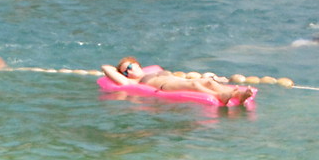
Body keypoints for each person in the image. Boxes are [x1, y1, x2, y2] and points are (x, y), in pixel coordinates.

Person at [100, 57, 254, 106]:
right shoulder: (134, 82)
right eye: (126, 72)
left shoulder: (154, 69)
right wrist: (118, 69)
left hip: (173, 80)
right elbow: (105, 67)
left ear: (138, 64)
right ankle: (220, 96)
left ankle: (239, 95)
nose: (129, 71)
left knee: (208, 81)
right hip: (163, 86)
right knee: (194, 84)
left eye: (130, 67)